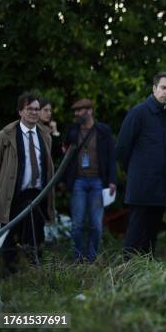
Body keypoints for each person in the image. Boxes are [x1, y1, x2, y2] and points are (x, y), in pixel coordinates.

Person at [116, 72, 166, 257]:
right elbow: (122, 148)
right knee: (135, 233)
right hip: (141, 185)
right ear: (154, 89)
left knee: (151, 236)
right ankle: (127, 272)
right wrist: (135, 172)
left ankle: (146, 276)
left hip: (161, 186)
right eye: (163, 88)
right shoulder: (138, 112)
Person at [0, 93, 55, 273]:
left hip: (37, 194)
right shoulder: (5, 135)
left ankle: (33, 275)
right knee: (10, 236)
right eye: (30, 109)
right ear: (21, 111)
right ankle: (9, 276)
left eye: (37, 109)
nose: (34, 112)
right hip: (13, 194)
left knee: (36, 236)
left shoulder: (46, 136)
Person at [63, 98, 116, 262]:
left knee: (96, 225)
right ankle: (78, 257)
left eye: (80, 110)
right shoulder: (72, 130)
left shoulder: (103, 131)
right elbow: (64, 153)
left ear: (90, 111)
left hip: (97, 182)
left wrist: (112, 180)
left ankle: (92, 257)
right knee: (77, 224)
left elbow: (111, 156)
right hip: (78, 180)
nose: (77, 114)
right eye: (76, 111)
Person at [38, 97, 62, 164]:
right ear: (38, 111)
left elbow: (58, 155)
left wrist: (55, 132)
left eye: (50, 111)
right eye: (45, 110)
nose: (49, 113)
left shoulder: (50, 130)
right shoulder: (31, 129)